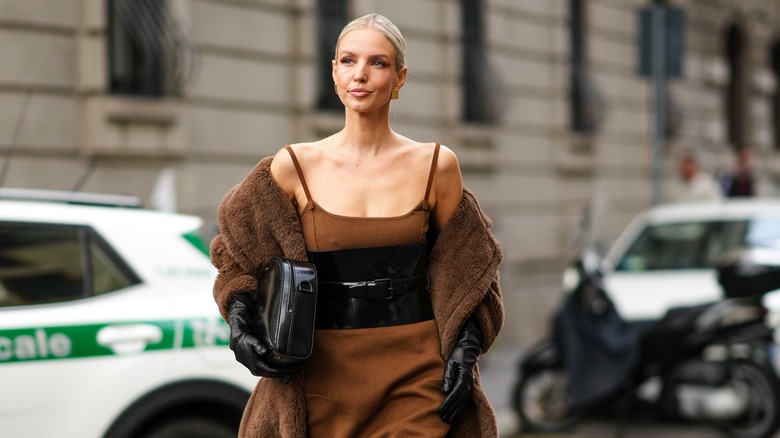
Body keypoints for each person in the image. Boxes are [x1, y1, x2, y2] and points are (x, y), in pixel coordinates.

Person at [210, 13, 504, 438]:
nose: (360, 75)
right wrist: (239, 322)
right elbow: (236, 254)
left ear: (400, 78)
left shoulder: (437, 165)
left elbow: (472, 271)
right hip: (320, 379)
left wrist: (466, 347)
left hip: (415, 376)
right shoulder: (292, 166)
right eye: (348, 61)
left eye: (378, 63)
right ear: (333, 72)